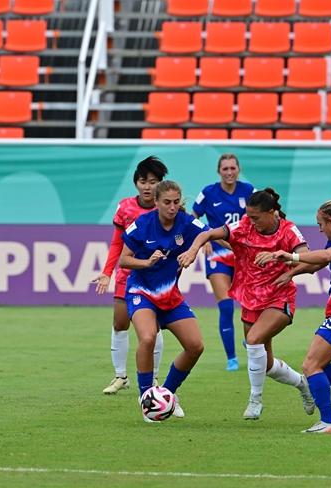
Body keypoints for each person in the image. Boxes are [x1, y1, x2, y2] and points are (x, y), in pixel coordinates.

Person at [179, 188, 315, 421]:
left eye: (255, 217)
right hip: (251, 300)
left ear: (271, 213)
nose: (250, 222)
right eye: (248, 217)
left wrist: (284, 263)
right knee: (267, 364)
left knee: (252, 342)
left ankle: (255, 400)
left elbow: (309, 259)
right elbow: (209, 234)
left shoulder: (288, 230)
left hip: (279, 298)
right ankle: (303, 385)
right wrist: (193, 249)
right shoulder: (244, 226)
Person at [262, 200, 331, 434]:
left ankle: (329, 422)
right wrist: (291, 272)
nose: (320, 229)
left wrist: (291, 257)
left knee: (310, 365)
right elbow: (317, 263)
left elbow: (325, 256)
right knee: (319, 364)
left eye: (321, 224)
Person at [119, 180, 209, 422]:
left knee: (196, 346)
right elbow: (124, 261)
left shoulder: (186, 222)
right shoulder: (143, 224)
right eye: (167, 202)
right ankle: (147, 399)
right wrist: (146, 262)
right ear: (156, 202)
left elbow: (208, 232)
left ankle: (167, 394)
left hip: (170, 296)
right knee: (147, 338)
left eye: (176, 202)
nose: (172, 207)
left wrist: (195, 248)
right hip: (141, 292)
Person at [92, 156, 169, 395]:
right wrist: (107, 273)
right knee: (119, 323)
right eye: (143, 181)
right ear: (136, 183)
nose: (148, 186)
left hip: (155, 279)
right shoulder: (125, 207)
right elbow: (117, 243)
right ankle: (120, 377)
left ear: (160, 184)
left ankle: (154, 378)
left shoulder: (165, 207)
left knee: (152, 329)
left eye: (153, 181)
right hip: (127, 275)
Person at [191, 154, 255, 372]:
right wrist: (205, 236)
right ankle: (232, 359)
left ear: (238, 170)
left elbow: (264, 214)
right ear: (219, 171)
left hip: (243, 255)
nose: (229, 172)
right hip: (218, 254)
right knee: (226, 306)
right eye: (225, 168)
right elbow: (192, 217)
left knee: (252, 303)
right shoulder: (208, 193)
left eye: (232, 168)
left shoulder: (249, 191)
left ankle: (252, 338)